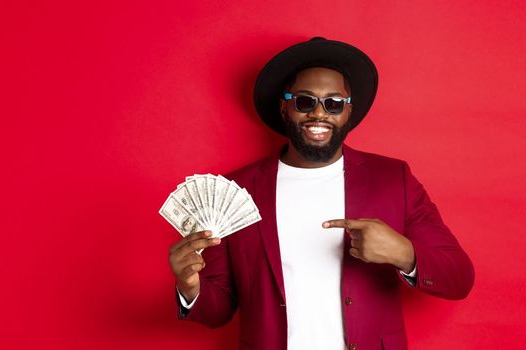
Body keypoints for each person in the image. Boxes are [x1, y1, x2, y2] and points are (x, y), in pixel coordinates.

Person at [167, 37, 474, 350]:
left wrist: (403, 253)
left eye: (334, 103)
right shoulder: (236, 191)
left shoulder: (394, 179)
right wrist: (190, 286)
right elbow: (218, 310)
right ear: (284, 105)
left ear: (348, 111)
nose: (319, 114)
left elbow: (459, 278)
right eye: (304, 101)